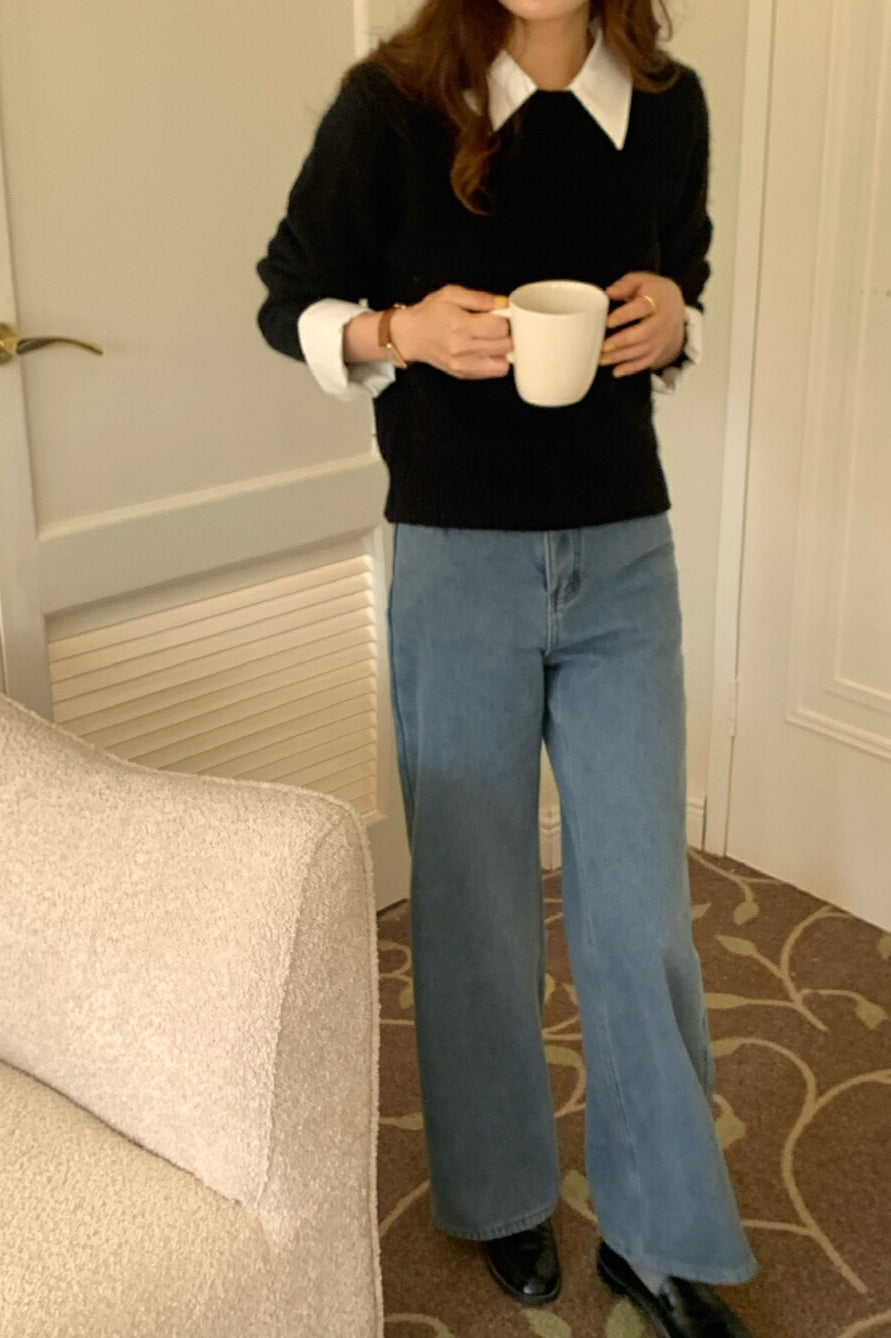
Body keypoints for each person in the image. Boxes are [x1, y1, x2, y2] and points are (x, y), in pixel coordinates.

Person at [256, 2, 760, 1334]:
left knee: (643, 914)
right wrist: (400, 334)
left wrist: (674, 315)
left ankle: (660, 1234)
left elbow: (680, 279)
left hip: (624, 557)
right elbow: (289, 296)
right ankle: (497, 1193)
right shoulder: (394, 104)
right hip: (457, 555)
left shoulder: (669, 108)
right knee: (474, 905)